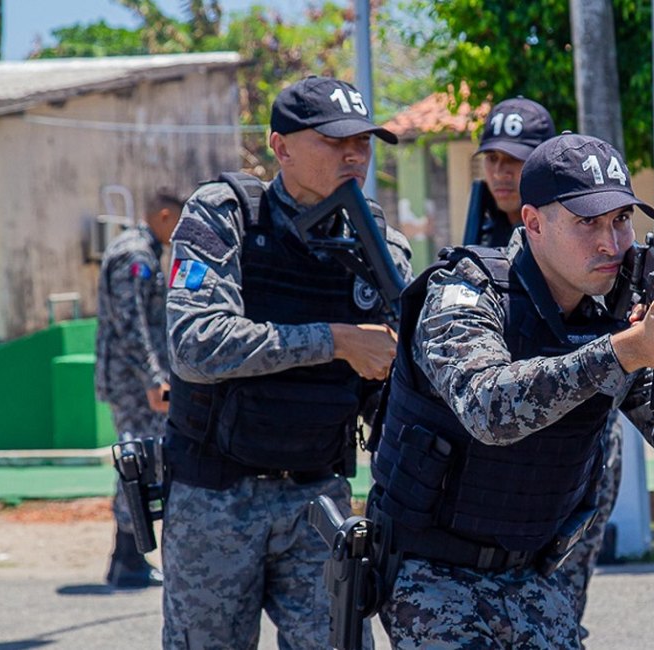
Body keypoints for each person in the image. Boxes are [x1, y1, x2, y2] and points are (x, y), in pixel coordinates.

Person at [370, 133, 654, 647]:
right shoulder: (466, 291)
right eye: (587, 222)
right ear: (534, 223)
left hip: (531, 576)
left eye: (621, 220)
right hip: (429, 571)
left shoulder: (616, 312)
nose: (611, 243)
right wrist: (624, 351)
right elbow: (486, 408)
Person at [161, 76, 412, 649]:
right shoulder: (225, 215)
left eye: (363, 143)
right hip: (217, 499)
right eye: (333, 140)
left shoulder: (382, 246)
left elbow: (394, 389)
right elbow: (196, 344)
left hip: (317, 500)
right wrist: (337, 340)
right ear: (281, 147)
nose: (354, 154)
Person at [467, 96, 616, 636]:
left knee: (561, 592)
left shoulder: (595, 259)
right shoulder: (476, 250)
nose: (503, 173)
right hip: (495, 430)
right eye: (493, 159)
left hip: (574, 427)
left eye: (516, 160)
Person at [94, 187, 183, 589]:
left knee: (140, 462)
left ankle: (126, 558)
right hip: (133, 382)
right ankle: (127, 559)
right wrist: (152, 378)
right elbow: (131, 324)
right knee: (136, 462)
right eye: (178, 221)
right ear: (164, 215)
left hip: (133, 377)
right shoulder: (136, 256)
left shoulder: (142, 251)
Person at [465, 97, 556, 247]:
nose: (499, 173)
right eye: (492, 158)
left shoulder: (566, 236)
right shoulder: (486, 235)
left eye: (514, 158)